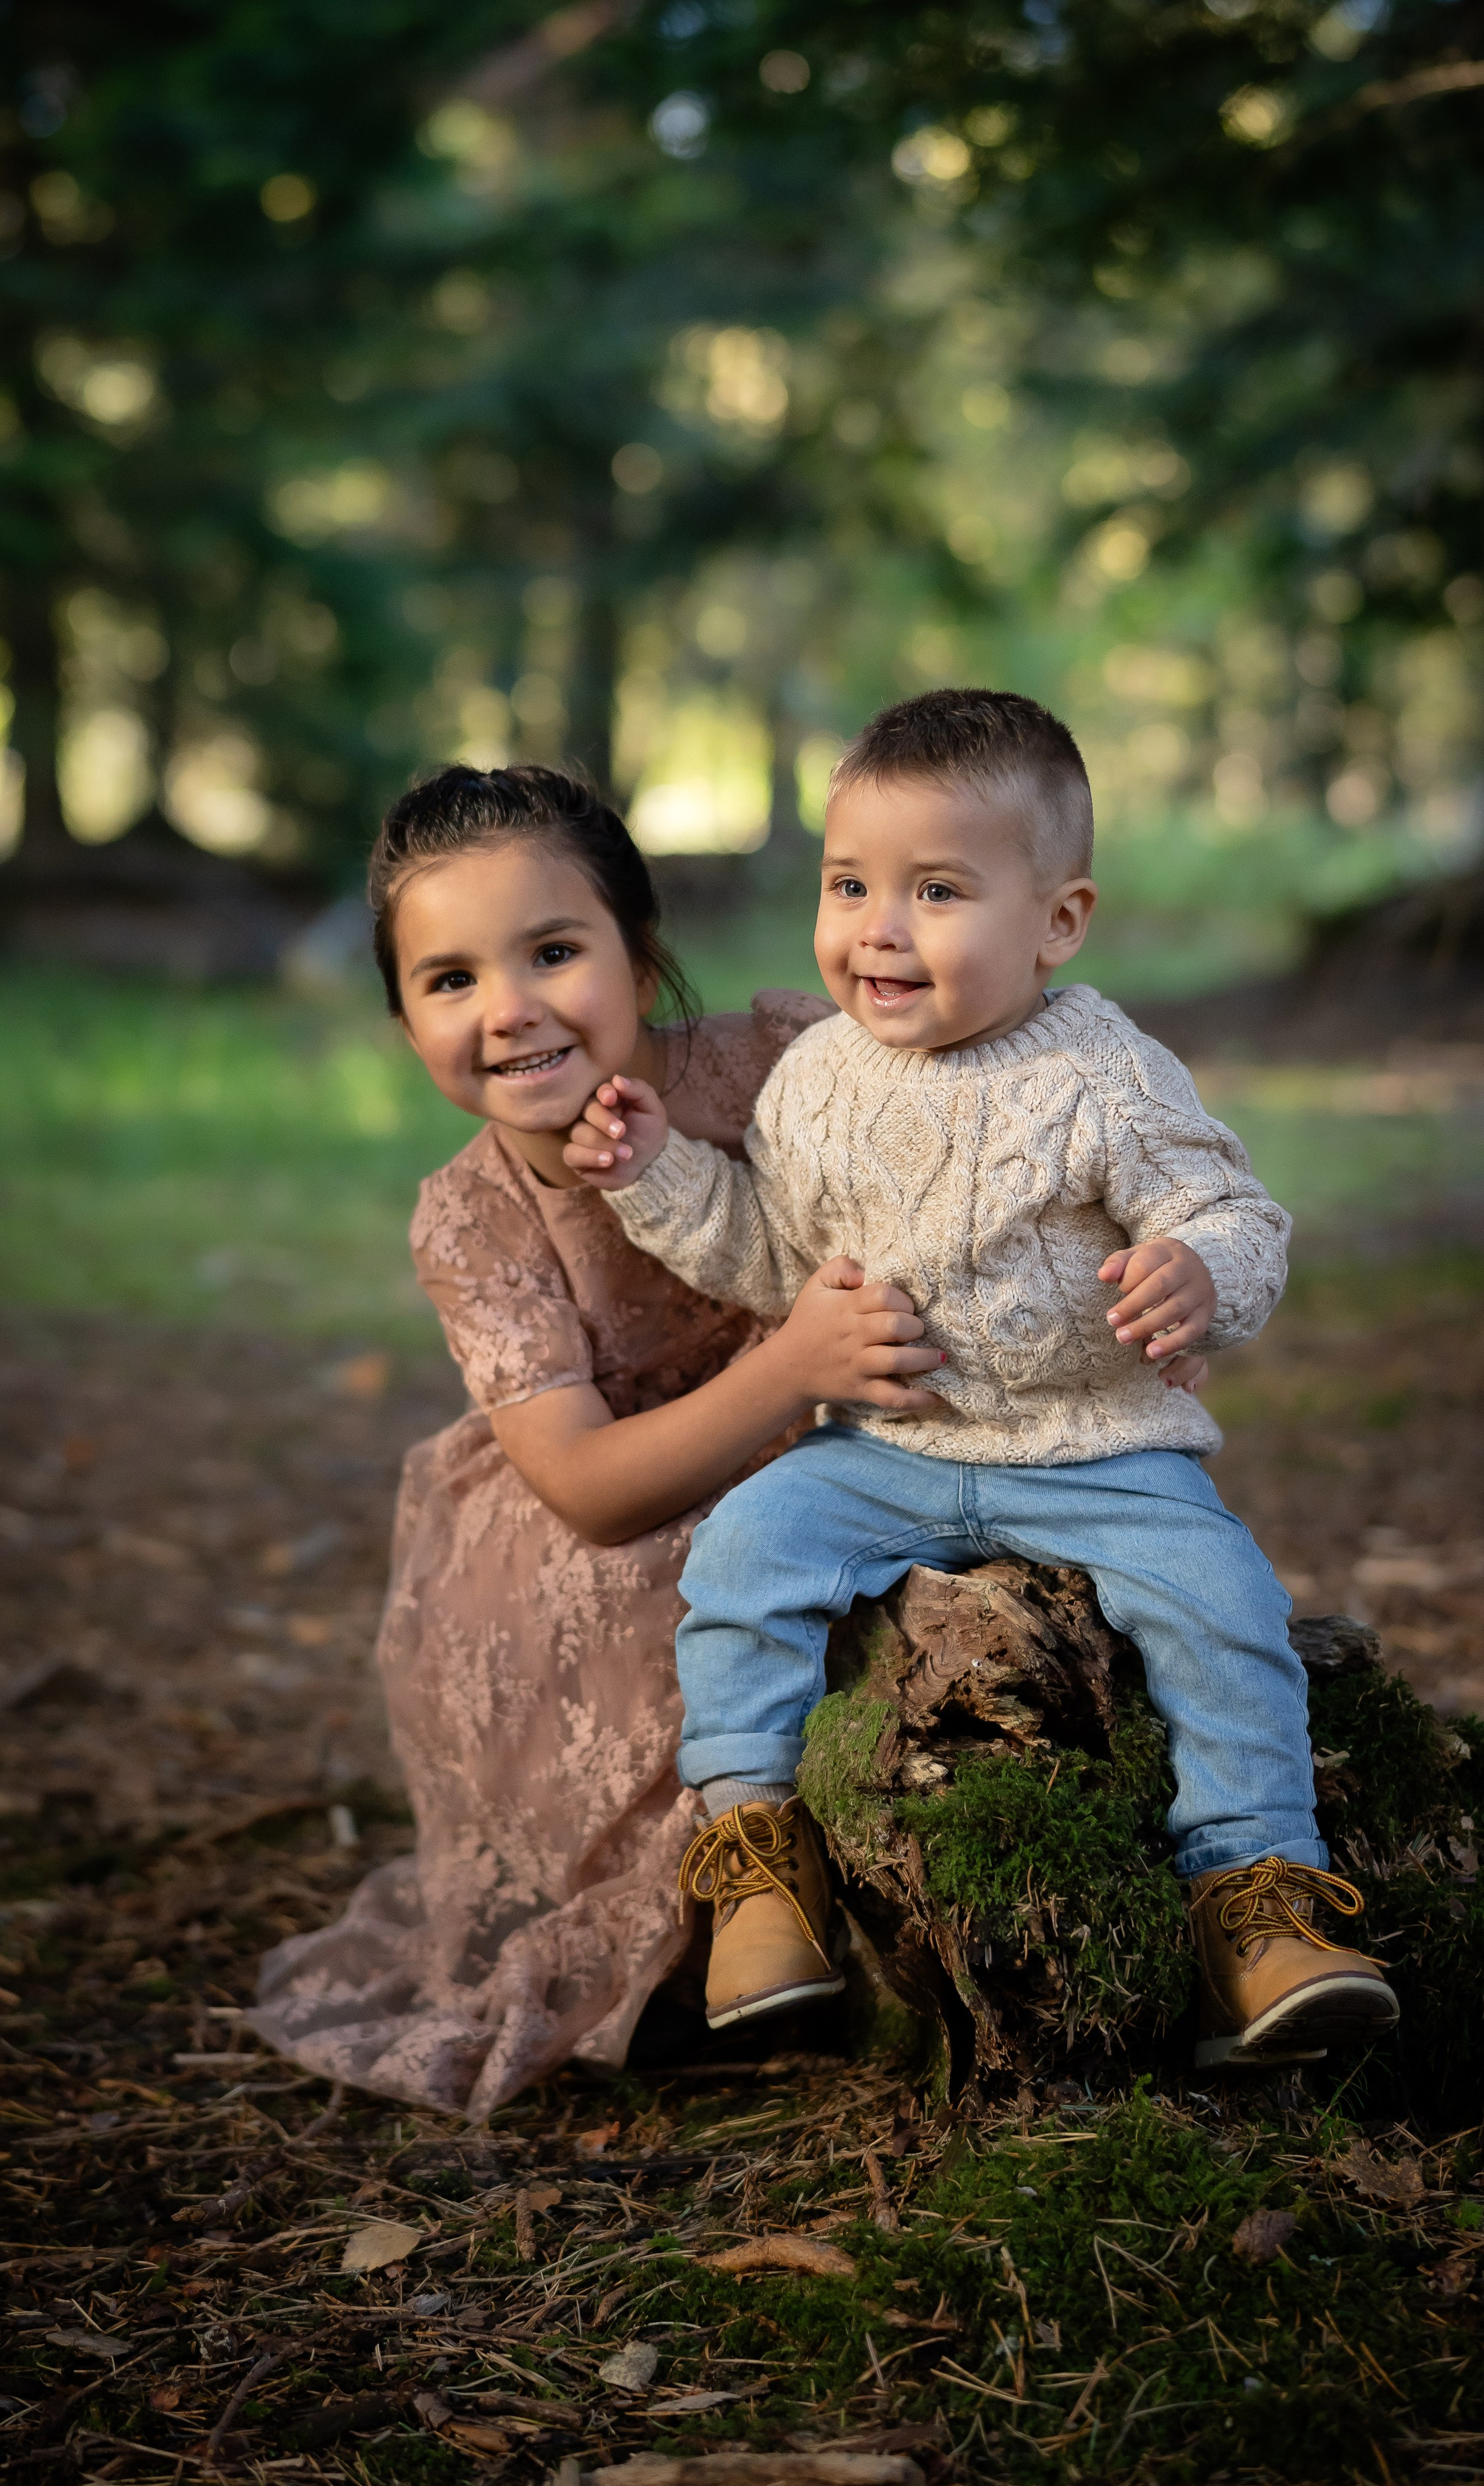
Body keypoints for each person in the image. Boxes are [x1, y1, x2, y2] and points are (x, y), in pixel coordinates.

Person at [567, 687, 1400, 2071]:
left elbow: (1231, 1211)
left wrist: (1194, 1269)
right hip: (885, 1448)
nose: (876, 929)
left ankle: (1253, 1903)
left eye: (936, 891)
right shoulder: (818, 1082)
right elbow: (775, 1261)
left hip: (1098, 1450)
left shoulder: (1103, 1072)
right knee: (744, 1551)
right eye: (848, 886)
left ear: (1053, 921)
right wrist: (657, 1174)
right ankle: (758, 1860)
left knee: (1225, 1607)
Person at [249, 762, 954, 2118]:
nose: (506, 1009)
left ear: (640, 958)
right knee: (666, 1600)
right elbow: (582, 1488)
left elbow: (970, 1127)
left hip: (854, 1433)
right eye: (446, 980)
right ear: (403, 1024)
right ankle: (714, 1936)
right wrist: (793, 1368)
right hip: (618, 1506)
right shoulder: (472, 1215)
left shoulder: (777, 1066)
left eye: (552, 953)